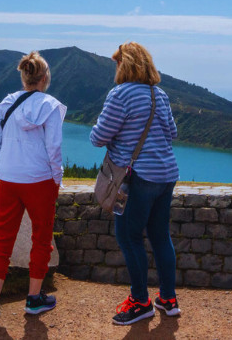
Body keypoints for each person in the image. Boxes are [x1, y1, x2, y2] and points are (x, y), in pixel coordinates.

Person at [90, 42, 180, 325]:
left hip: (137, 177)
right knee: (160, 237)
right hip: (166, 175)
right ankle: (168, 299)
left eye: (117, 63)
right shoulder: (159, 94)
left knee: (129, 237)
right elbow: (172, 133)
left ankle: (140, 302)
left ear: (124, 65)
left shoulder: (120, 94)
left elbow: (98, 137)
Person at [0, 51, 65, 318]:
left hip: (7, 178)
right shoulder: (51, 106)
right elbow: (54, 149)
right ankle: (34, 298)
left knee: (2, 239)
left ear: (24, 77)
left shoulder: (6, 103)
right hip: (40, 179)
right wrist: (56, 178)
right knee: (41, 238)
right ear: (44, 77)